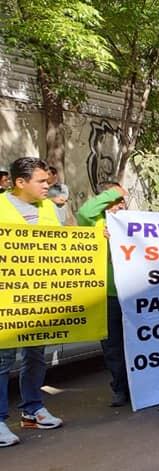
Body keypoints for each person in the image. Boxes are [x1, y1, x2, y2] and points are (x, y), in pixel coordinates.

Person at [0, 157, 65, 447]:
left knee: (35, 354)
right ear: (20, 182)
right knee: (3, 359)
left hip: (39, 296)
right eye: (41, 181)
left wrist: (95, 240)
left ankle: (32, 409)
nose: (47, 185)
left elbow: (63, 243)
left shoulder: (49, 207)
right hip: (6, 298)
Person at [76, 181, 130, 406]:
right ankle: (120, 388)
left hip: (132, 294)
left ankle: (141, 385)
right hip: (107, 296)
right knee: (112, 347)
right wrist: (114, 192)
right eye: (114, 202)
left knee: (137, 343)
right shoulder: (94, 223)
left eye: (122, 202)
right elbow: (83, 211)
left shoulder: (131, 224)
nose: (119, 206)